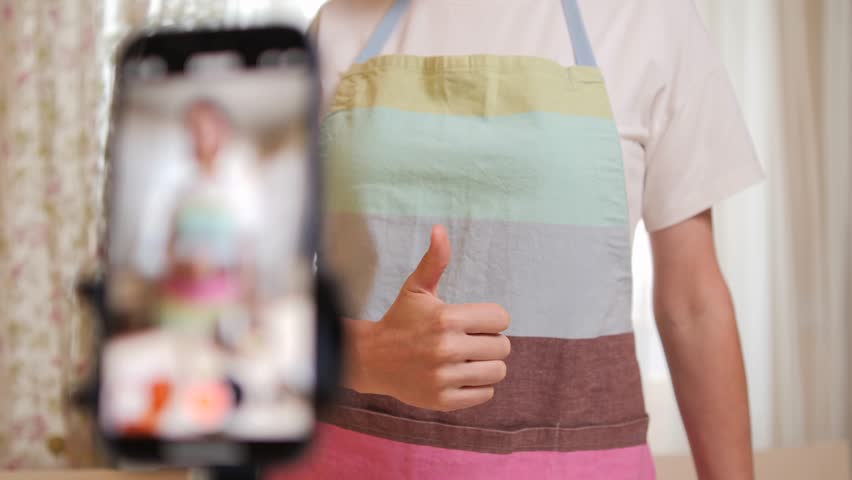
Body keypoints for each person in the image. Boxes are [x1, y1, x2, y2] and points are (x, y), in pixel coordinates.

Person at [286, 0, 765, 478]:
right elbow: (256, 302)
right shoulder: (337, 26)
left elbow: (693, 304)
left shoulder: (649, 17)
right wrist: (364, 355)